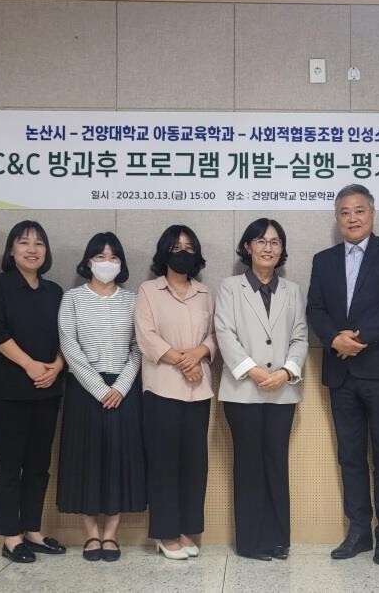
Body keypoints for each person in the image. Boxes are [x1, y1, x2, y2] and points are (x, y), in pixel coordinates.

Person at [307, 184, 379, 565]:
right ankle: (358, 532)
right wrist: (334, 339)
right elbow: (315, 308)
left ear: (372, 213)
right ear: (337, 218)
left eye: (359, 210)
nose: (352, 218)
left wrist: (360, 338)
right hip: (341, 372)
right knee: (350, 456)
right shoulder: (324, 260)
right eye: (344, 212)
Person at [214, 219, 308, 561]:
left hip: (282, 392)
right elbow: (224, 333)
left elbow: (300, 336)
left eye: (275, 242)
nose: (268, 247)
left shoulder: (292, 290)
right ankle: (251, 542)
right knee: (249, 465)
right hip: (243, 391)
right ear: (247, 247)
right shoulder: (230, 287)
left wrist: (286, 371)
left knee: (276, 464)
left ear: (282, 249)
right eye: (261, 241)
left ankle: (278, 538)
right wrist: (252, 371)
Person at [0, 221, 66, 563]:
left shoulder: (54, 291)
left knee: (40, 464)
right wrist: (29, 365)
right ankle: (11, 537)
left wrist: (57, 366)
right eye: (24, 242)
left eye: (39, 243)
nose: (32, 249)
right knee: (10, 463)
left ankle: (33, 530)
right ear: (11, 249)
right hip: (7, 390)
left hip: (48, 388)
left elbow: (68, 334)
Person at [57, 232, 145, 562]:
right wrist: (98, 388)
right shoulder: (72, 299)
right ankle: (91, 534)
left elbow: (138, 347)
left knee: (119, 460)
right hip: (84, 389)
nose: (107, 263)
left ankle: (111, 534)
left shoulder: (132, 300)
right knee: (86, 459)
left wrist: (120, 386)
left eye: (113, 257)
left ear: (121, 263)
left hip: (124, 389)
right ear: (88, 261)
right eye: (100, 257)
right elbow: (69, 345)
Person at [135, 225, 217, 560]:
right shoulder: (148, 290)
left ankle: (186, 528)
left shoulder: (205, 292)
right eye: (176, 246)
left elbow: (215, 335)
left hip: (199, 390)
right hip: (162, 388)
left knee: (194, 464)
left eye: (189, 247)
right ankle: (165, 532)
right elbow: (146, 336)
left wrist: (199, 354)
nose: (183, 252)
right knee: (163, 463)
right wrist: (185, 362)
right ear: (164, 251)